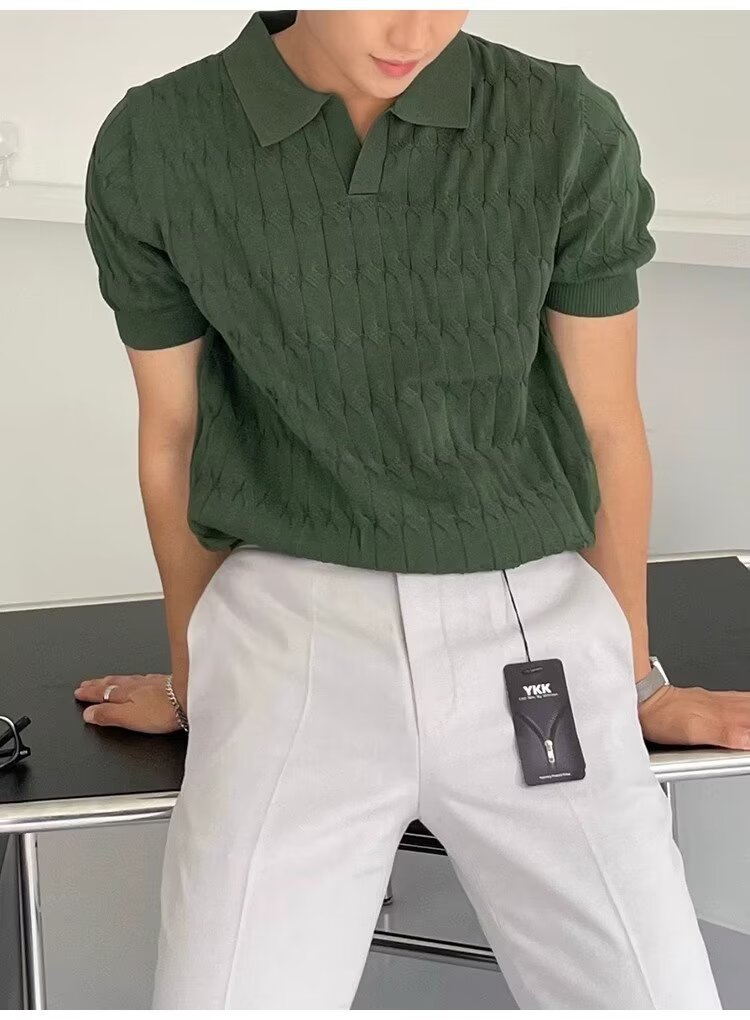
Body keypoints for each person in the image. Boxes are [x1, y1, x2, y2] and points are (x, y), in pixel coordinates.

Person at [77, 9, 742, 1009]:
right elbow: (173, 433)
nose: (418, 27)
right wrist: (196, 680)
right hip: (287, 637)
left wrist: (633, 684)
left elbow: (607, 426)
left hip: (532, 632)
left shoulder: (562, 124)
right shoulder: (157, 141)